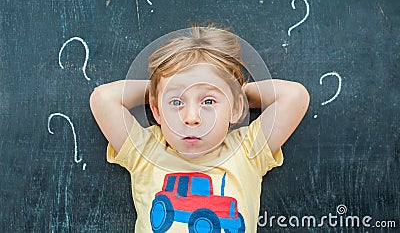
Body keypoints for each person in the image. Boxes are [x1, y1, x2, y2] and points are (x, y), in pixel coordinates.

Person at [90, 26, 310, 233]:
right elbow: (103, 99)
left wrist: (235, 93)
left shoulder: (247, 151)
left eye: (208, 101)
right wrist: (160, 88)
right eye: (176, 103)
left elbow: (294, 96)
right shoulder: (147, 151)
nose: (191, 118)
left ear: (235, 109)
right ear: (157, 112)